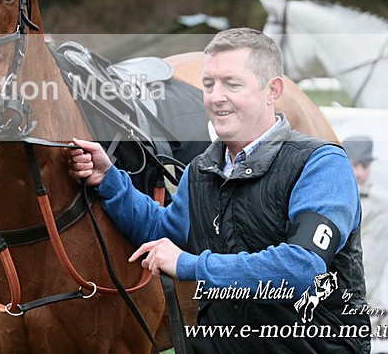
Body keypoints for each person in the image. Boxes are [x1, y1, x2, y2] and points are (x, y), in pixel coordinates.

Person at [69, 28, 369, 353]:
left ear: (273, 90)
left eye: (232, 84)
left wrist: (191, 265)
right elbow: (163, 231)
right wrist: (110, 180)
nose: (216, 97)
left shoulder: (321, 164)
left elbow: (300, 268)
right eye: (209, 84)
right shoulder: (201, 170)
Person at [343, 135, 388, 320]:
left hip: (365, 316)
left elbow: (365, 274)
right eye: (354, 164)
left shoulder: (376, 211)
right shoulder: (327, 201)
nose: (359, 173)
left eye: (364, 166)